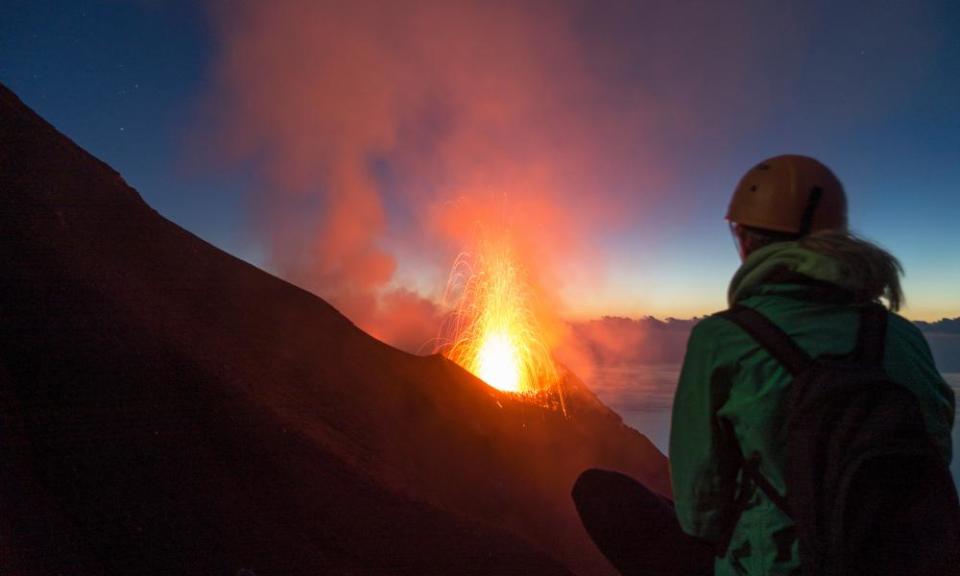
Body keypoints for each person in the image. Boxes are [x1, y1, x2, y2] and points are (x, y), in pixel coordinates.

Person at [572, 154, 957, 576]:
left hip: (774, 567)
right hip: (900, 558)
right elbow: (935, 450)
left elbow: (701, 512)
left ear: (746, 239)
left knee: (600, 494)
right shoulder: (902, 336)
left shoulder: (722, 339)